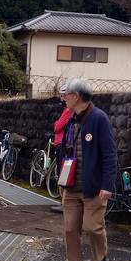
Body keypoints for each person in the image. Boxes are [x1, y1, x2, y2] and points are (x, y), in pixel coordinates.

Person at [58, 78, 116, 261]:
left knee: (93, 227)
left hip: (93, 187)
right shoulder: (70, 119)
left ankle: (101, 257)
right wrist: (60, 179)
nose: (63, 98)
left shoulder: (99, 118)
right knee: (70, 229)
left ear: (77, 96)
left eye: (66, 95)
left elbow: (110, 155)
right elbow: (63, 151)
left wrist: (107, 185)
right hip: (71, 186)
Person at [50, 83, 72, 214]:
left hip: (62, 145)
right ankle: (64, 202)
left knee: (62, 174)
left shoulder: (68, 111)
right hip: (61, 144)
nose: (61, 99)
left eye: (63, 96)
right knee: (62, 173)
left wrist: (56, 123)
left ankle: (64, 204)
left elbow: (57, 127)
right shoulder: (68, 110)